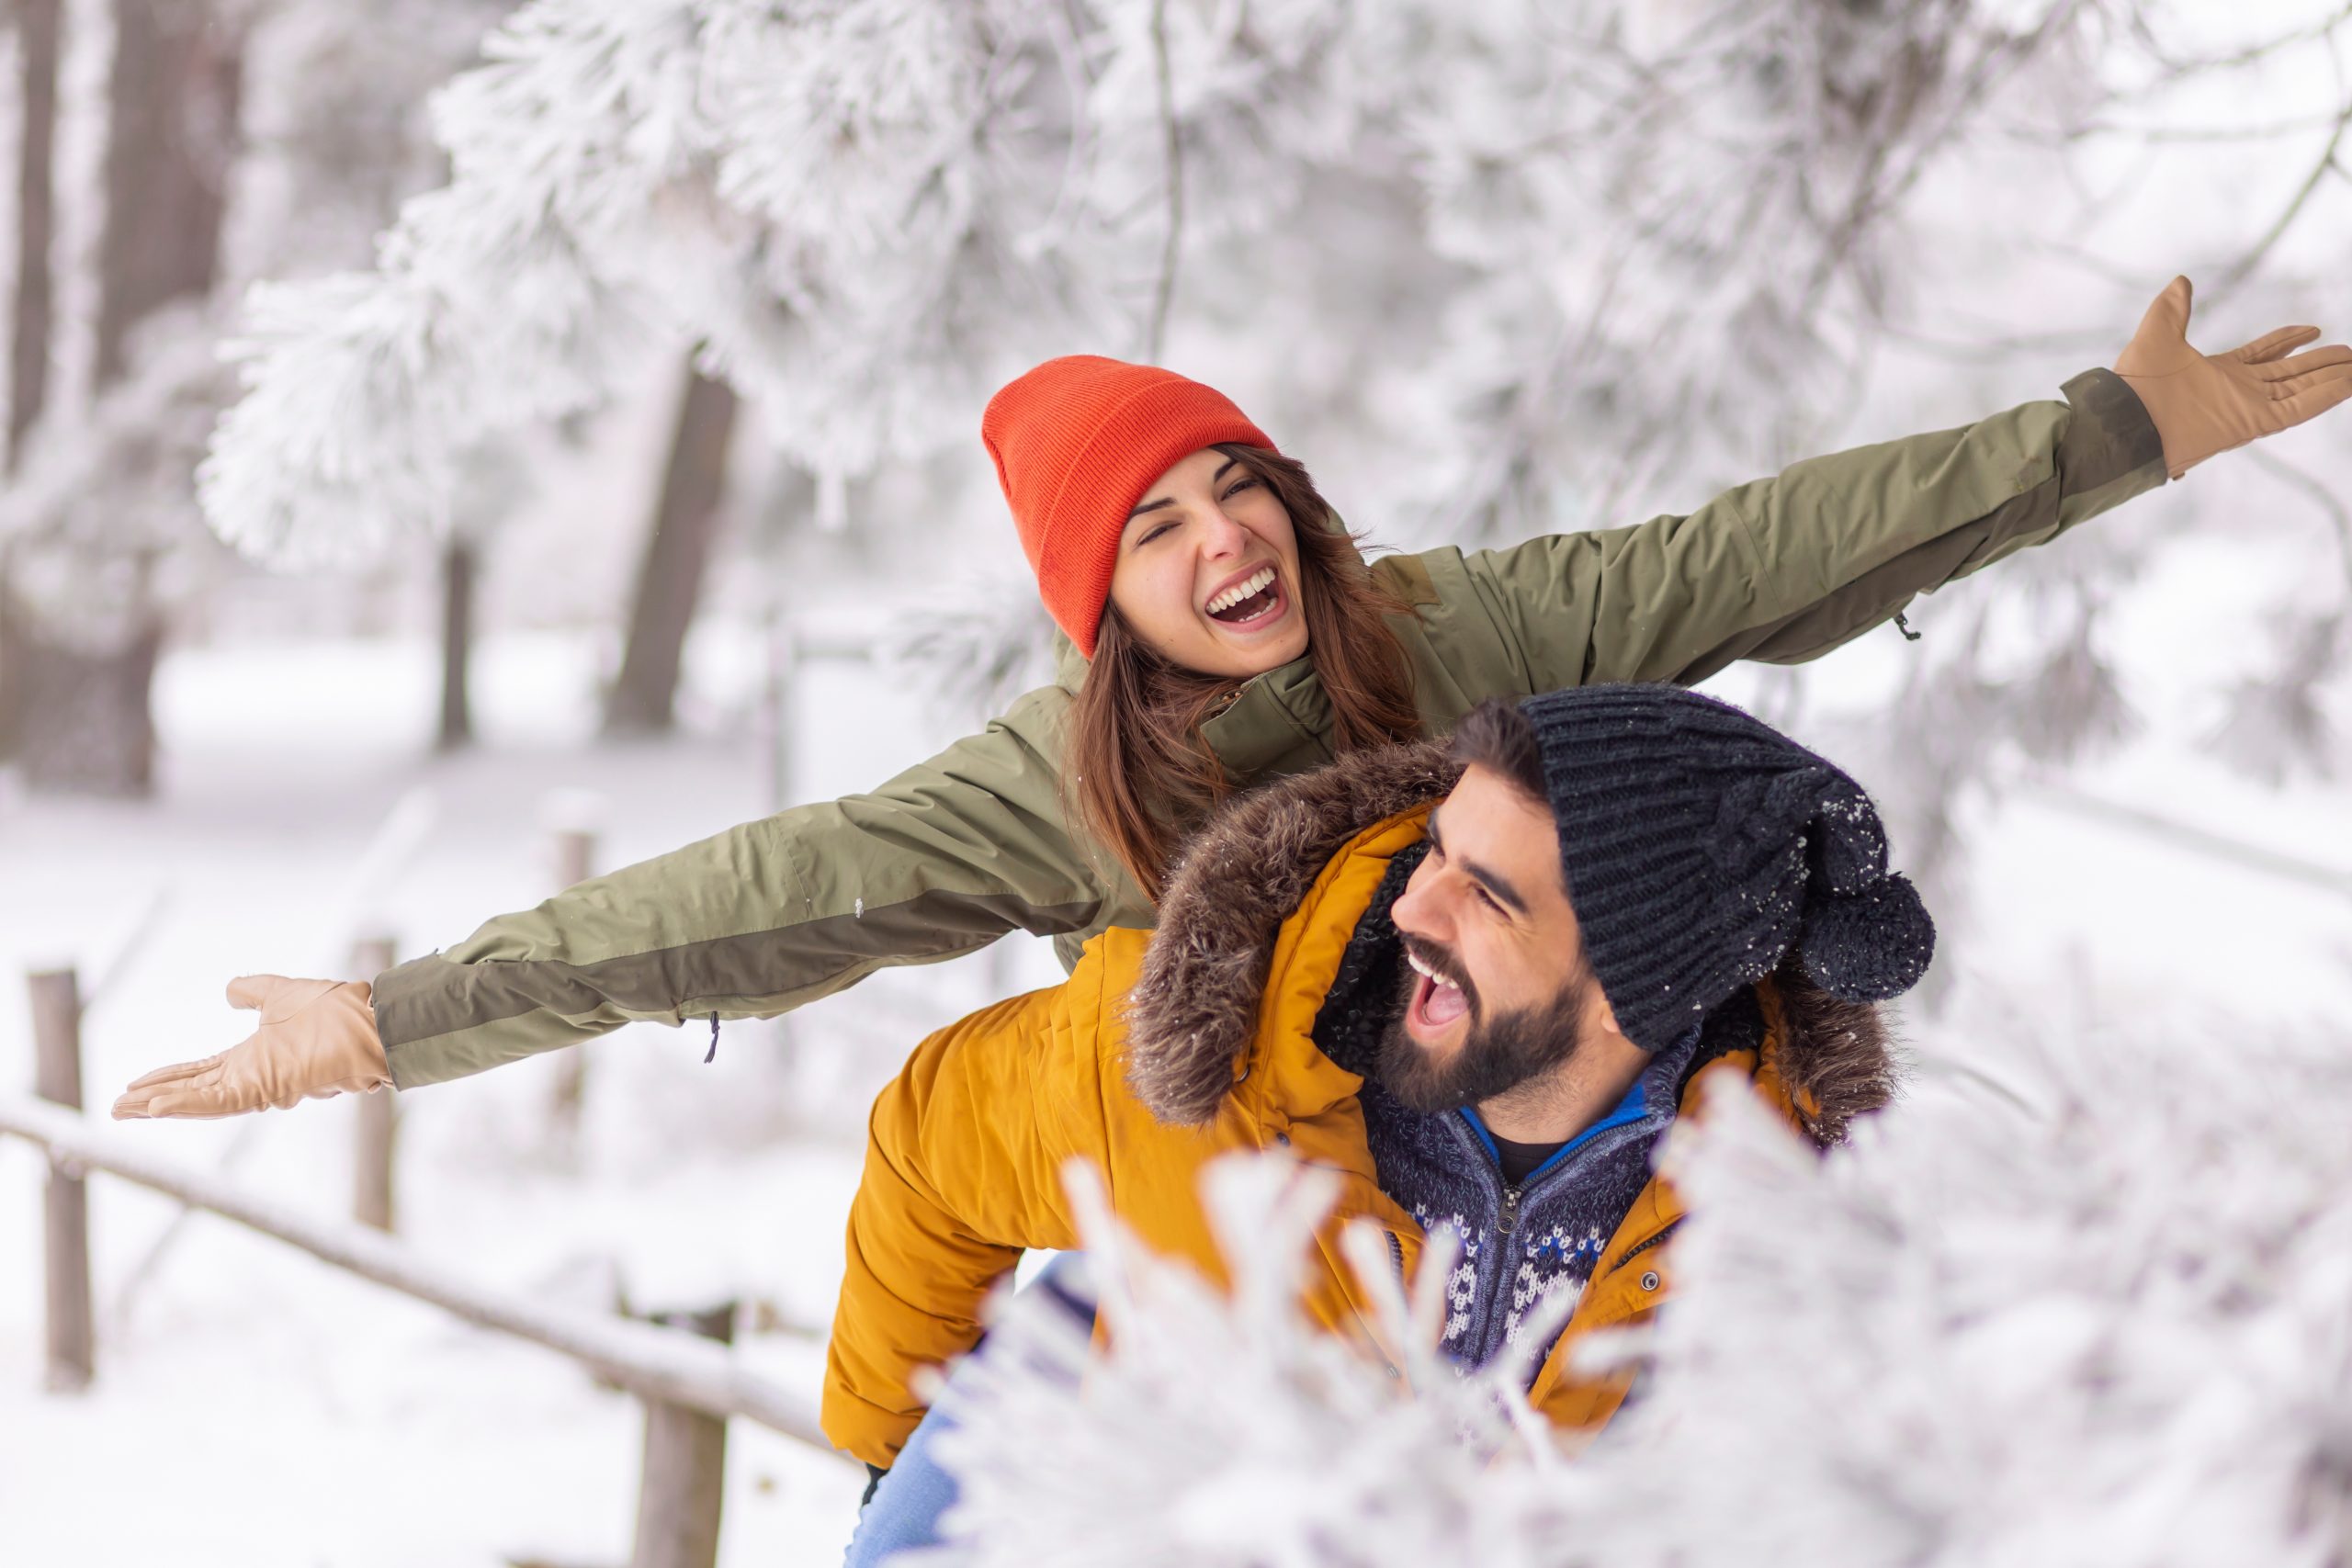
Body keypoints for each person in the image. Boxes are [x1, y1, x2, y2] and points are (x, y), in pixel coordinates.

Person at [110, 276, 2347, 1117]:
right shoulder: (1050, 791)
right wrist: (407, 1010)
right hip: (1241, 1183)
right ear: (1108, 603)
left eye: (1234, 482)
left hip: (1538, 1135)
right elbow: (744, 895)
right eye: (1157, 527)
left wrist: (2103, 435)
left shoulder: (1454, 631)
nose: (1221, 537)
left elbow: (1753, 554)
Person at [827, 683, 1929, 1559]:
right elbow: (931, 1146)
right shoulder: (1210, 1056)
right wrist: (892, 1468)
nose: (1412, 906)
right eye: (1434, 850)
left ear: (1631, 998)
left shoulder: (1774, 1234)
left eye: (1486, 895)